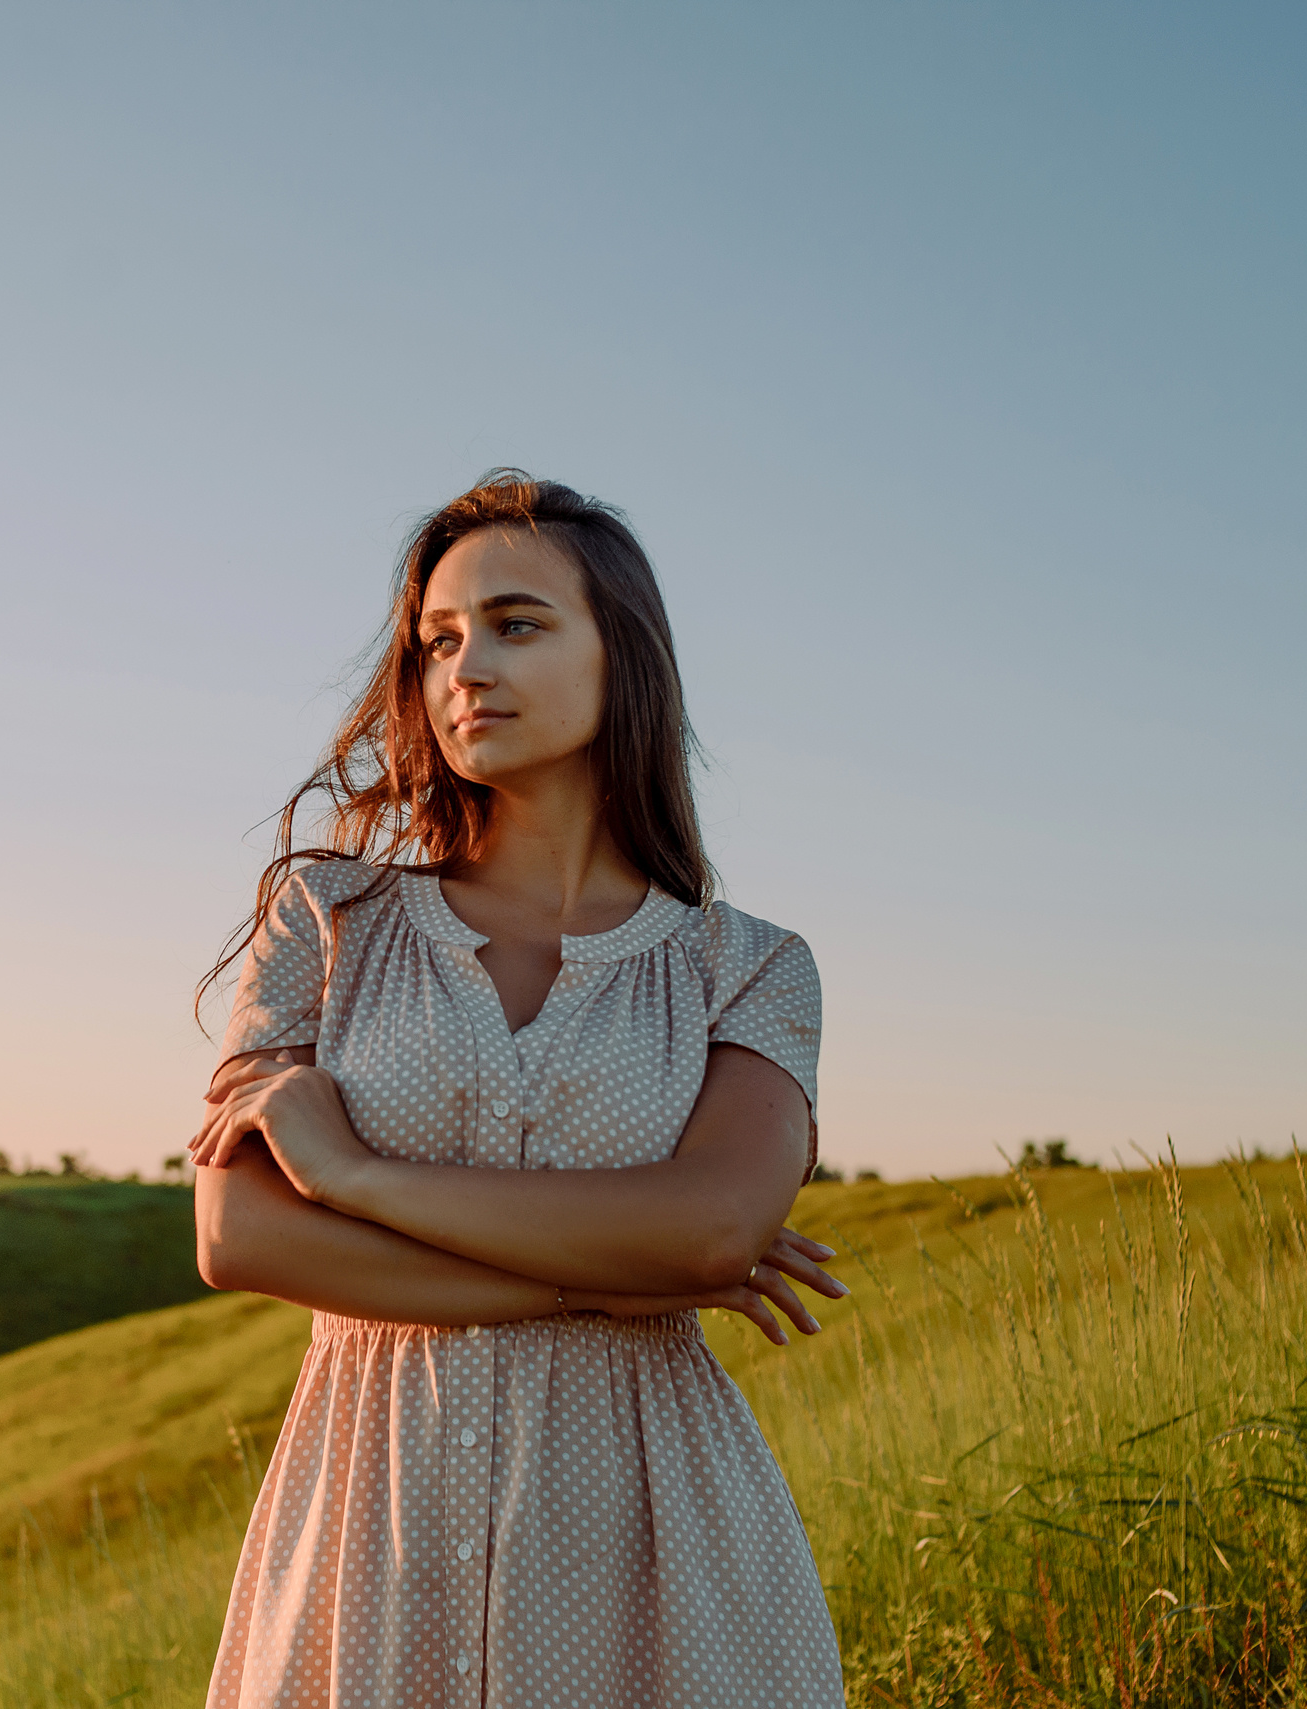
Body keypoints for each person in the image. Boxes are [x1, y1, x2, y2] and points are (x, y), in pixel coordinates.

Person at [188, 471, 849, 1707]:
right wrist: (623, 1277)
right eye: (438, 639)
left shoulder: (748, 966)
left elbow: (712, 1226)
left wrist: (354, 1176)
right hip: (370, 1522)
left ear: (625, 657)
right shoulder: (326, 920)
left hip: (654, 1536)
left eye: (517, 624)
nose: (463, 668)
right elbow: (240, 1232)